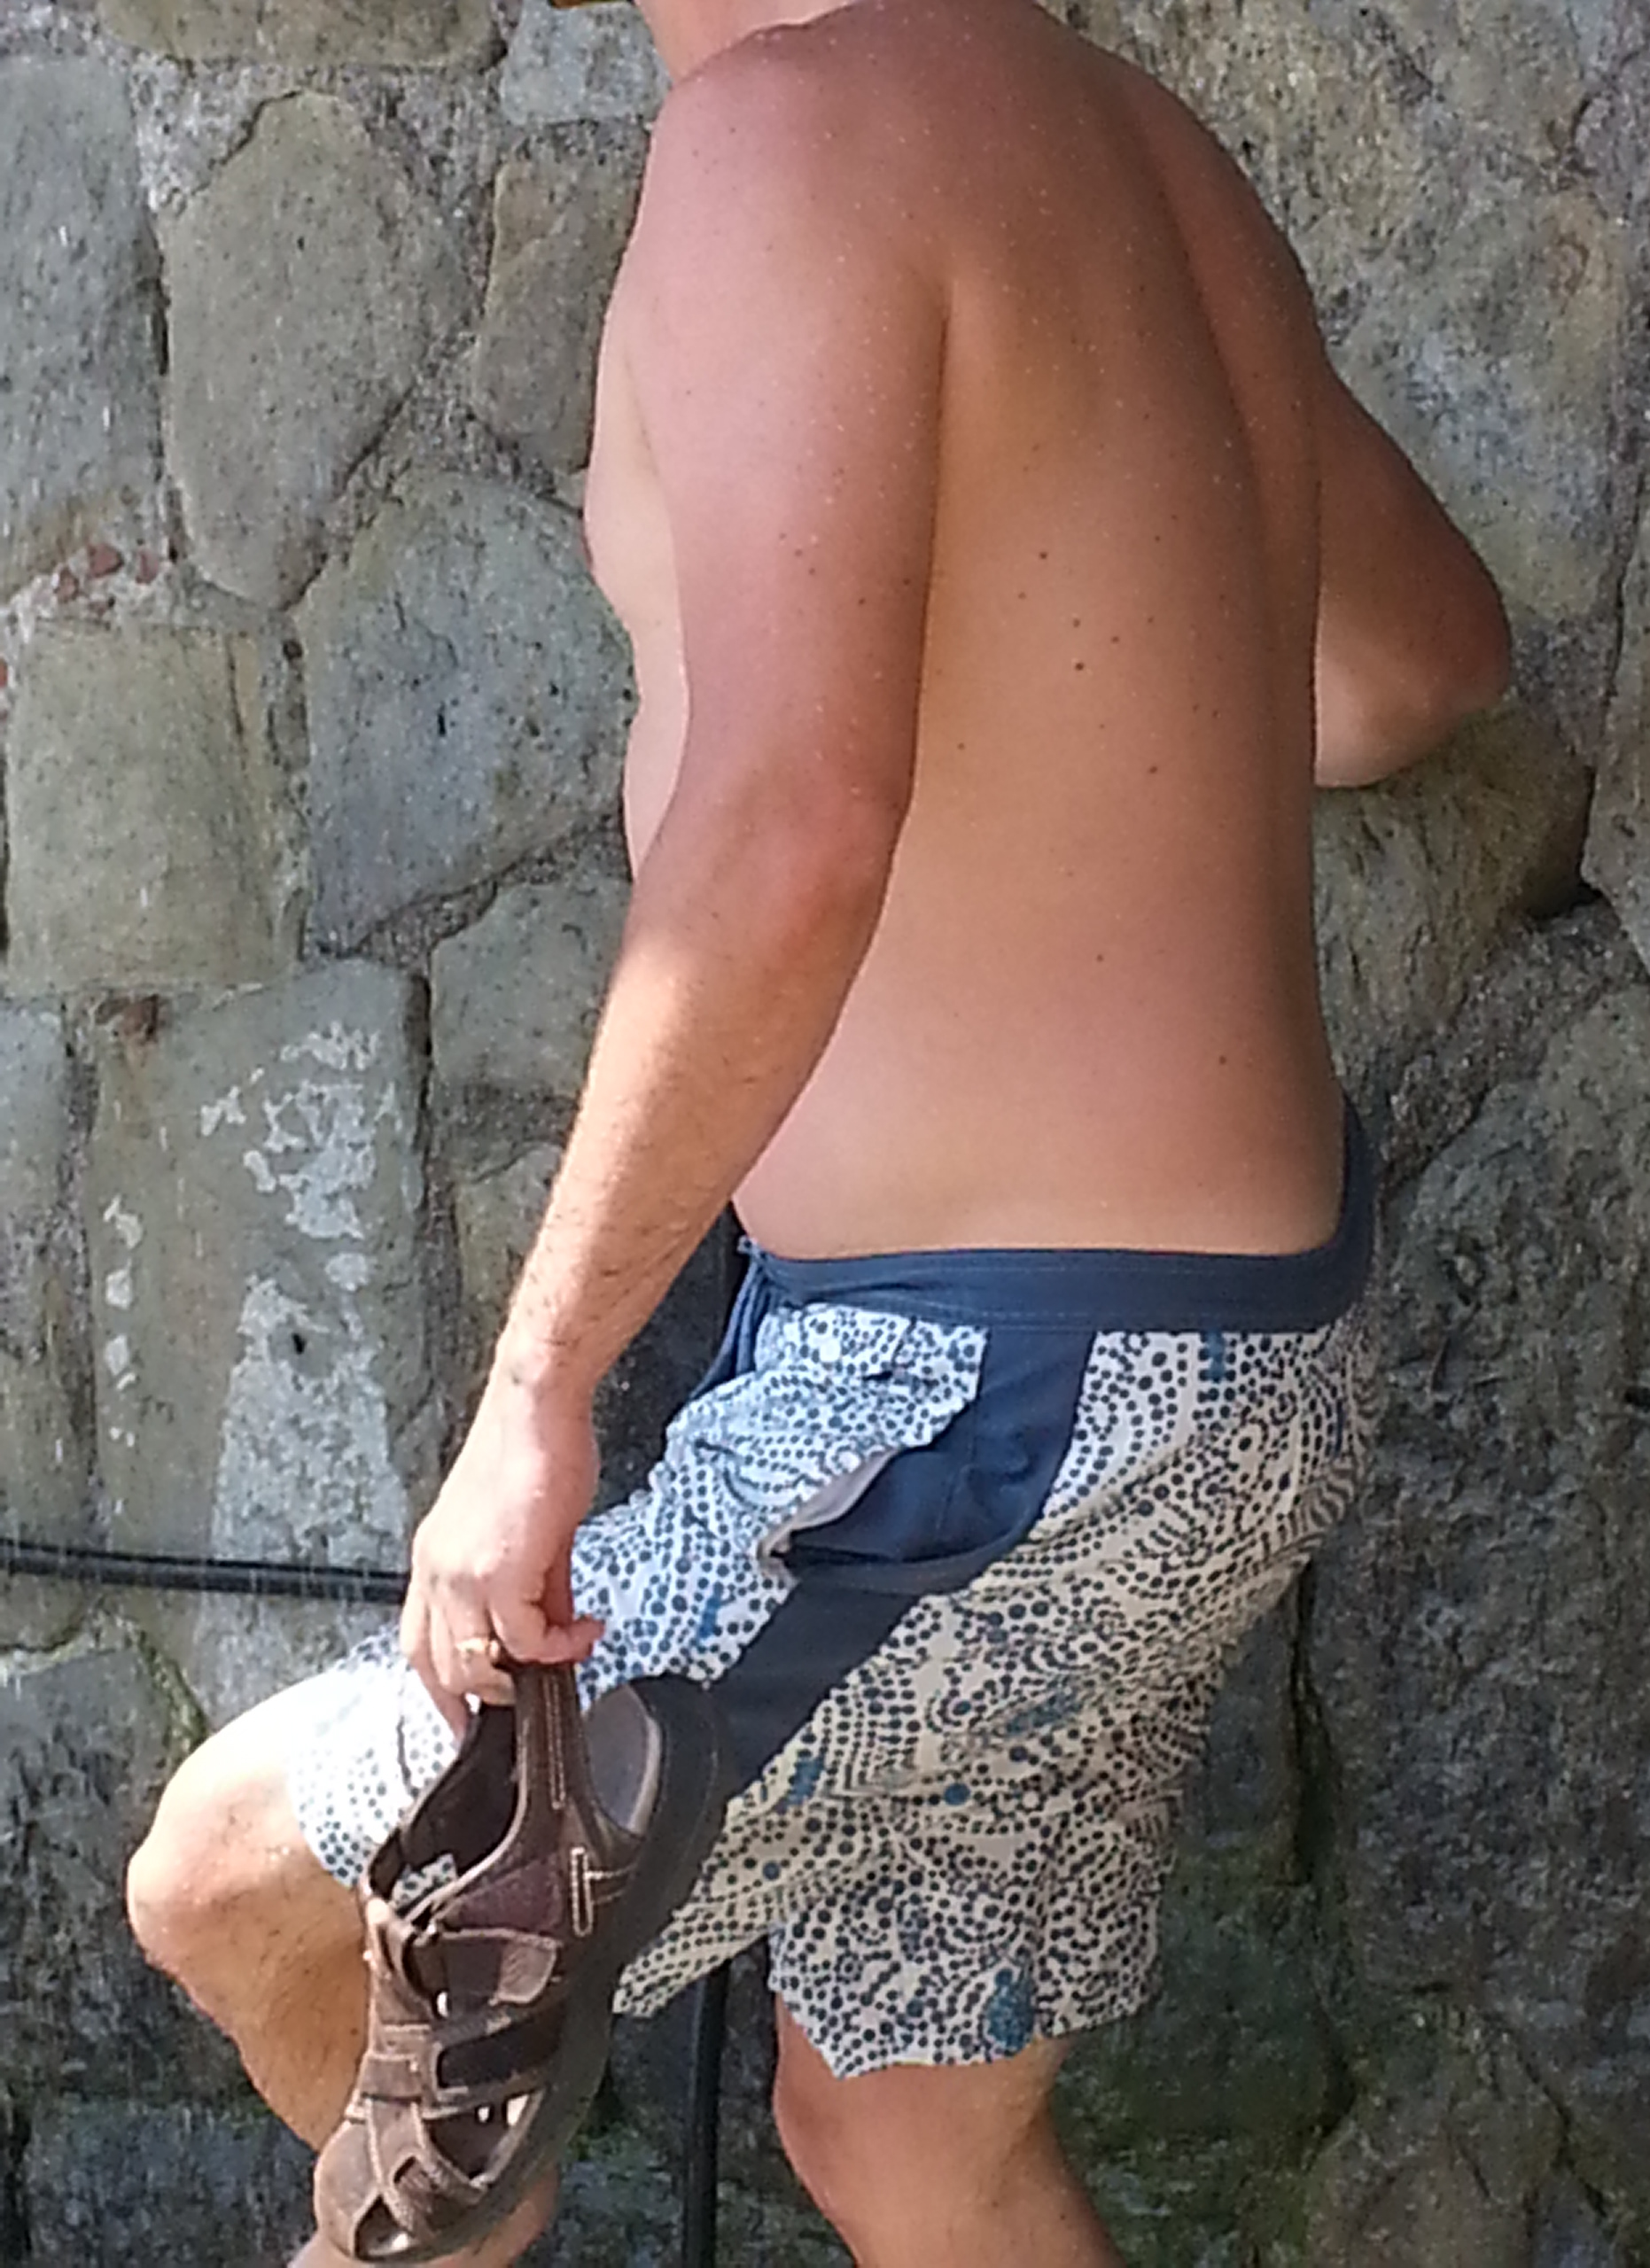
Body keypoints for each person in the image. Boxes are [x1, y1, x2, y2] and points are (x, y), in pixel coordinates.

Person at [126, 0, 1510, 2256]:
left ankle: (464, 2184)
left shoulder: (790, 145)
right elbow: (1421, 660)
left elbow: (788, 831)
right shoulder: (1127, 146)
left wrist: (537, 1391)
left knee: (251, 1885)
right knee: (906, 2133)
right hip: (1197, 1358)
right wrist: (1119, 703)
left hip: (996, 1398)